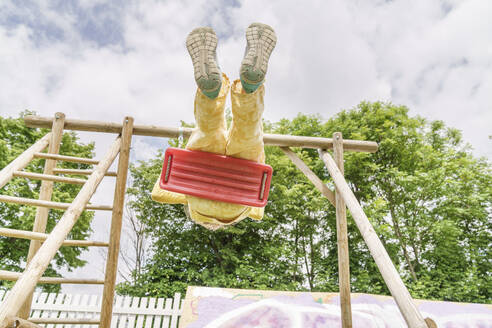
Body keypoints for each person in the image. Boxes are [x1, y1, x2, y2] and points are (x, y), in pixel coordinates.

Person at [152, 23, 277, 230]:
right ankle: (210, 93)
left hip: (241, 192)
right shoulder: (189, 200)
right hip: (199, 172)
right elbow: (158, 194)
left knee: (249, 130)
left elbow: (258, 211)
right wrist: (185, 195)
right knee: (207, 128)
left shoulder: (251, 213)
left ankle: (250, 88)